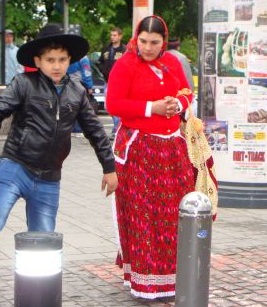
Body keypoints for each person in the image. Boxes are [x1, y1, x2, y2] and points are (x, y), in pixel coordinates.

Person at [0, 24, 118, 274]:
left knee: (44, 242)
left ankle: (37, 289)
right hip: (15, 167)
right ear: (38, 61)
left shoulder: (77, 92)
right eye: (50, 60)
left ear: (69, 60)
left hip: (49, 179)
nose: (56, 65)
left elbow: (95, 131)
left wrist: (109, 168)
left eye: (62, 59)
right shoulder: (23, 83)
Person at [105, 15, 194, 299]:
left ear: (163, 41)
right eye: (143, 41)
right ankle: (147, 283)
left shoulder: (172, 63)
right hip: (140, 149)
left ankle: (172, 279)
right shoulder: (126, 64)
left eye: (154, 42)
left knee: (173, 214)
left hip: (171, 150)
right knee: (146, 215)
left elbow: (186, 90)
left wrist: (177, 104)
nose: (148, 47)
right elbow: (113, 103)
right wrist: (151, 108)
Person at [98, 27, 126, 138]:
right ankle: (117, 127)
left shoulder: (124, 50)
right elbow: (100, 61)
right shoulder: (106, 49)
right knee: (108, 106)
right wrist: (102, 70)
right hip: (107, 81)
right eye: (111, 35)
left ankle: (116, 129)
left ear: (120, 36)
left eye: (115, 35)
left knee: (117, 104)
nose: (112, 37)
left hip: (120, 82)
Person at [67, 55, 95, 135]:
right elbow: (86, 72)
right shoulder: (83, 58)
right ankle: (79, 129)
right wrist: (89, 86)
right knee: (81, 108)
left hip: (67, 85)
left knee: (70, 107)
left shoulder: (68, 56)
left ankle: (72, 129)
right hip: (80, 85)